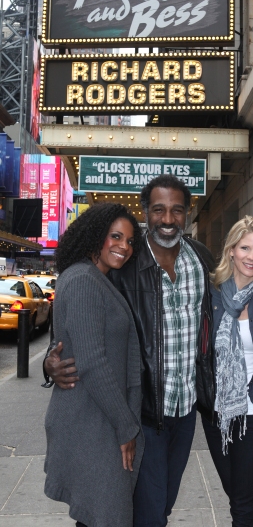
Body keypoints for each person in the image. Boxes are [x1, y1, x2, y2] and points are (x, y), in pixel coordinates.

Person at [43, 175, 215, 527]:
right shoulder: (122, 266)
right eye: (158, 210)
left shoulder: (202, 259)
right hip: (143, 414)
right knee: (141, 512)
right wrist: (50, 361)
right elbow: (78, 325)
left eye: (177, 210)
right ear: (146, 213)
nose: (168, 219)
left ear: (188, 213)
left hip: (184, 411)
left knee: (161, 504)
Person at [44, 203, 144, 527]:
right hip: (94, 424)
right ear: (96, 236)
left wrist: (50, 360)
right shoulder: (85, 280)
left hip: (97, 420)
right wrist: (126, 426)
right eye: (115, 236)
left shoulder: (95, 278)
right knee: (106, 515)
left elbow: (65, 342)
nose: (123, 247)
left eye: (129, 241)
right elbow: (93, 362)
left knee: (96, 517)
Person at [201, 216, 253, 527]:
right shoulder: (208, 293)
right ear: (231, 250)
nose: (252, 257)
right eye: (245, 248)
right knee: (235, 495)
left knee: (244, 503)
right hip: (216, 411)